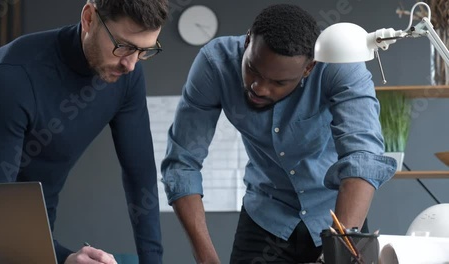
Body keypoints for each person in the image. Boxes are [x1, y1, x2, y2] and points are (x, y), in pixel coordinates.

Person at [161, 4, 397, 264]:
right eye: (253, 69)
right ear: (248, 40)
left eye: (279, 82)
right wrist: (207, 260)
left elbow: (363, 157)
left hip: (338, 219)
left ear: (309, 68)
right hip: (266, 216)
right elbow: (182, 164)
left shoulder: (338, 63)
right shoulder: (215, 65)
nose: (259, 88)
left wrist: (338, 253)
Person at [0, 0, 168, 263]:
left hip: (36, 226)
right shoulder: (13, 74)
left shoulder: (127, 77)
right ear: (89, 18)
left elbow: (140, 176)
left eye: (144, 51)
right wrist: (65, 257)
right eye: (123, 46)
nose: (130, 64)